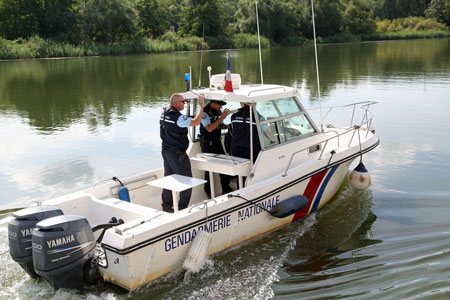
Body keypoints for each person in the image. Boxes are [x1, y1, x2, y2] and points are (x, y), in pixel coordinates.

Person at [159, 93, 204, 213]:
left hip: (166, 151)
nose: (185, 104)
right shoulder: (178, 118)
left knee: (169, 178)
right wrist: (201, 105)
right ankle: (182, 209)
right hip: (178, 155)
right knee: (187, 181)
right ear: (177, 103)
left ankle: (166, 206)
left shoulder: (164, 114)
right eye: (183, 102)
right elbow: (197, 122)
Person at [199, 100, 232, 196]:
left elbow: (217, 125)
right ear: (212, 103)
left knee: (224, 165)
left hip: (217, 143)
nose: (220, 107)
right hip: (208, 145)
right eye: (219, 105)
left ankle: (226, 188)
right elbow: (209, 128)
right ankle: (208, 191)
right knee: (209, 170)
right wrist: (222, 117)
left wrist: (226, 126)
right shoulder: (204, 113)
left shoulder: (217, 112)